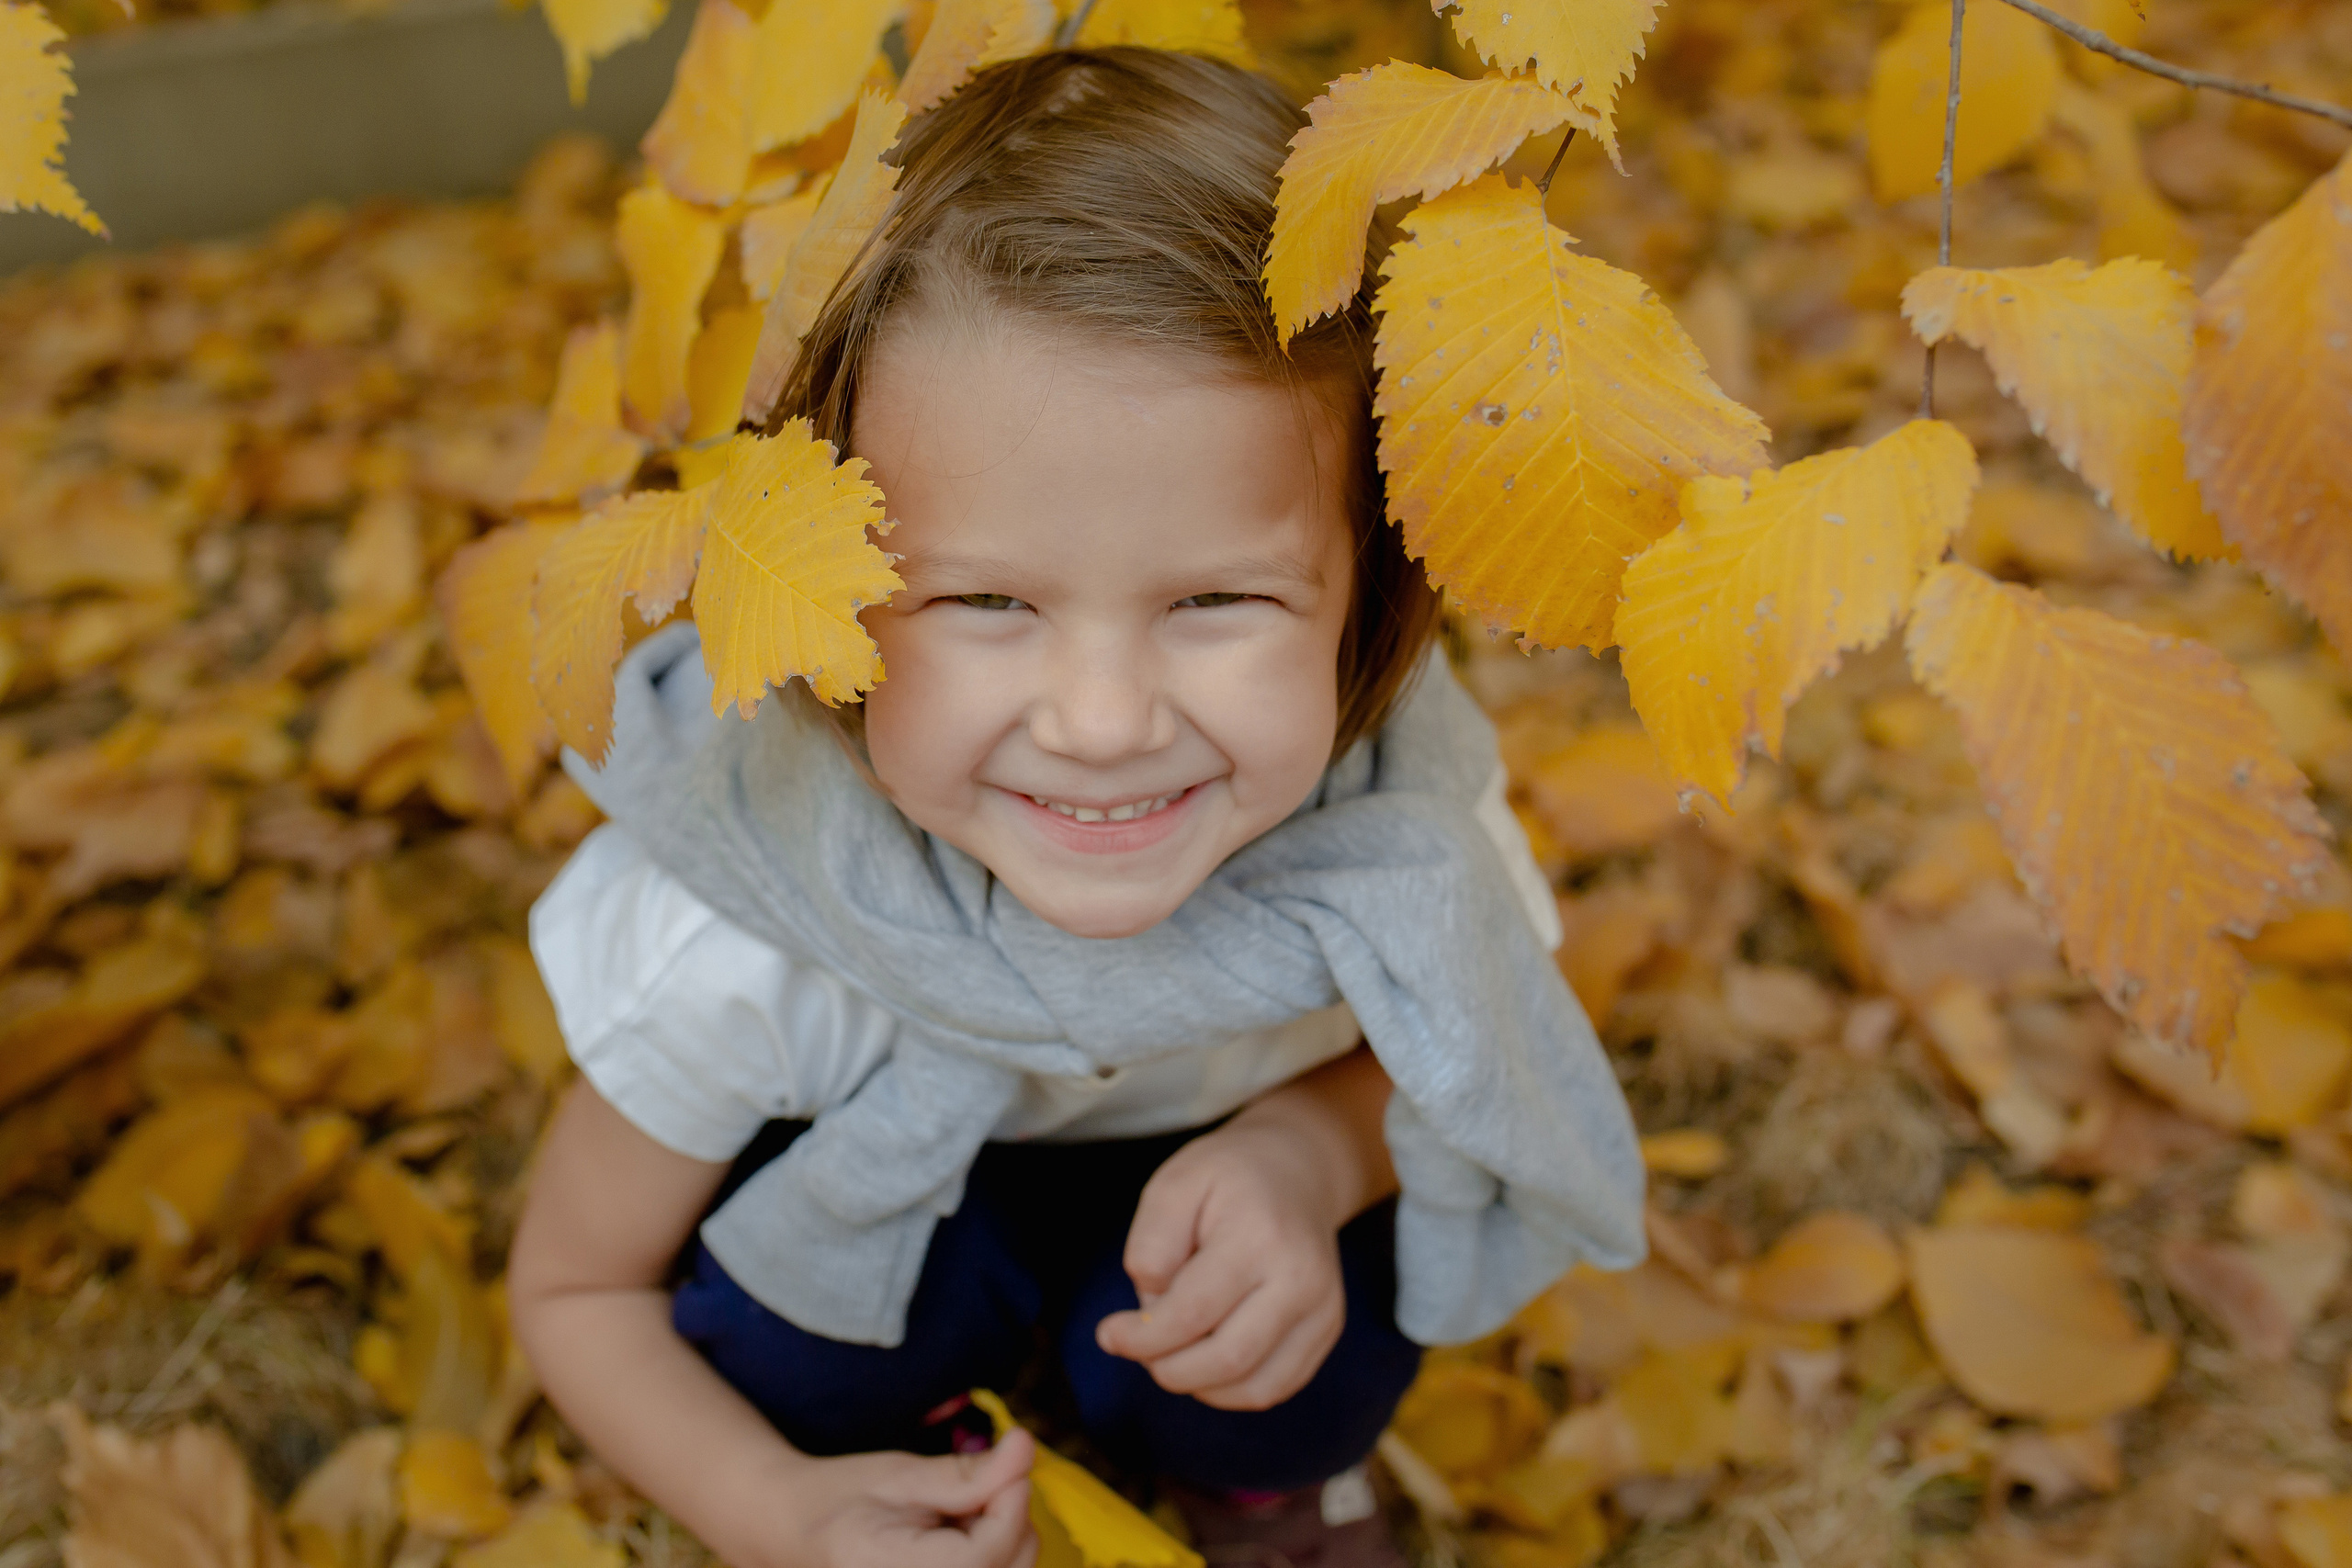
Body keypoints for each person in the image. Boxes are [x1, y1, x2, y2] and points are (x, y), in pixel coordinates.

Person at [507, 46, 1643, 1568]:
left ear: (1369, 602)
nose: (1103, 724)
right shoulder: (757, 930)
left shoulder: (1402, 851)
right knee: (785, 1352)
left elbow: (1460, 1046)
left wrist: (1313, 1153)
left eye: (1219, 599)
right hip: (887, 1204)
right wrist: (767, 1508)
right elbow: (575, 1293)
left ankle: (1263, 1480)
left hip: (1201, 1219)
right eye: (983, 599)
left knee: (1304, 1342)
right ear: (829, 599)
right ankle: (908, 1459)